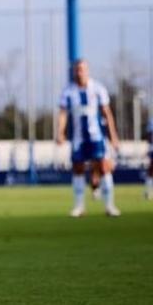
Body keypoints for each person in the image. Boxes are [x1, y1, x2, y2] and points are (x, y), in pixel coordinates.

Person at [56, 59, 120, 217]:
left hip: (96, 136)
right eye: (77, 69)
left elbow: (107, 113)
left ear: (88, 70)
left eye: (82, 69)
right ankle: (79, 207)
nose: (79, 72)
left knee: (104, 167)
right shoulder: (68, 91)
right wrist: (60, 132)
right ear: (74, 72)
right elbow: (63, 114)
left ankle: (109, 206)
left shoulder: (98, 89)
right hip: (78, 138)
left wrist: (113, 136)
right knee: (78, 168)